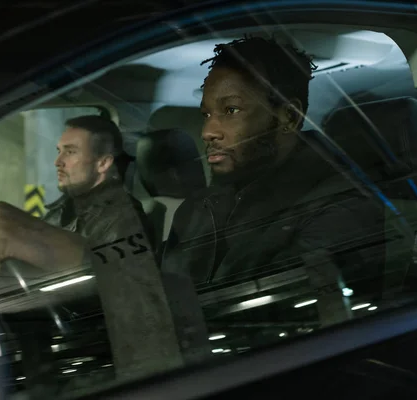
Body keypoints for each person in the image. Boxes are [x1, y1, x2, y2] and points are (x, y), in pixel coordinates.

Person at [160, 36, 386, 341]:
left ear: (288, 117)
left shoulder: (340, 209)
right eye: (207, 114)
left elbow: (280, 332)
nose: (208, 132)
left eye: (231, 110)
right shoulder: (196, 208)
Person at [0, 115, 182, 385]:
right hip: (53, 343)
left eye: (70, 152)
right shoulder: (63, 211)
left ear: (103, 162)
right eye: (59, 151)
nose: (57, 162)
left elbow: (118, 289)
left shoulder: (122, 217)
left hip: (90, 356)